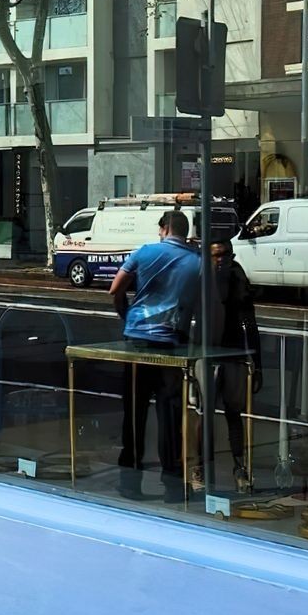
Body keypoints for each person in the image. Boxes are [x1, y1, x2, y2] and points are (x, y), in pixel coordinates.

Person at [108, 209, 200, 499]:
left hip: (137, 338)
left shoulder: (145, 252)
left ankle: (130, 480)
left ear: (163, 228)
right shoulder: (196, 261)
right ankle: (172, 481)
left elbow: (115, 288)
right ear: (184, 232)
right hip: (171, 341)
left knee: (134, 411)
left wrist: (126, 313)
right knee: (169, 413)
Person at [190, 230, 262, 493]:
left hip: (231, 352)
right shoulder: (201, 278)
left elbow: (249, 322)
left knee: (234, 413)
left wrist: (256, 361)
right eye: (216, 256)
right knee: (203, 413)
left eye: (226, 256)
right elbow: (187, 315)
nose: (221, 261)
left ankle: (239, 466)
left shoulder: (237, 278)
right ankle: (200, 466)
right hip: (206, 352)